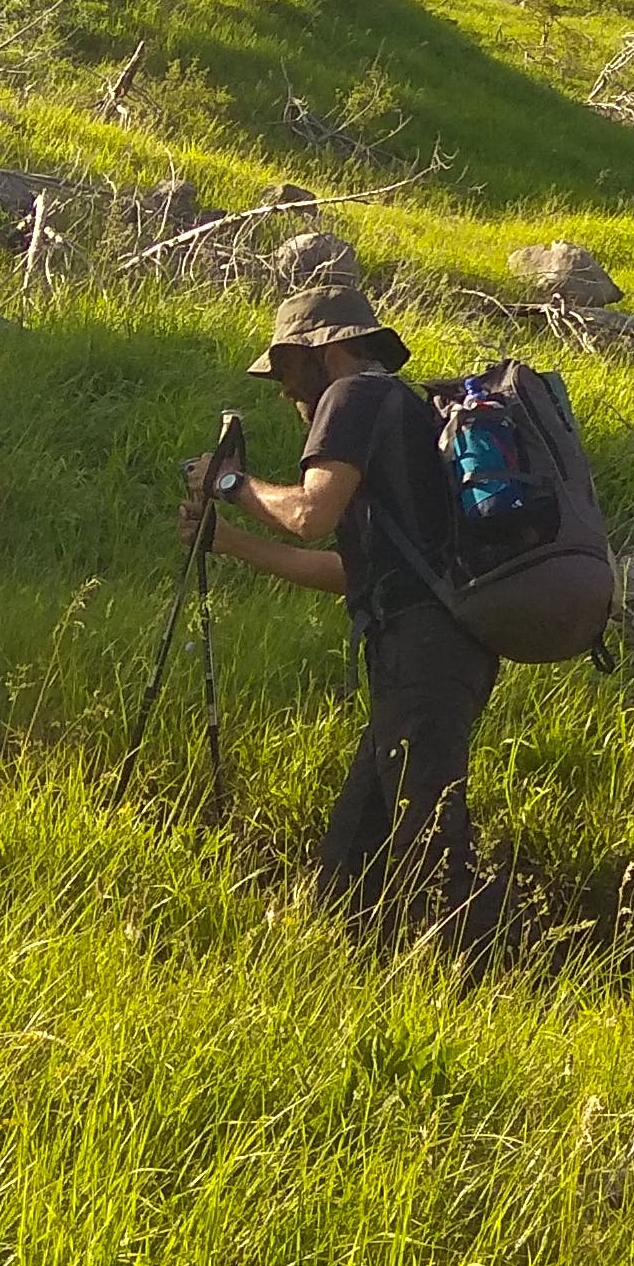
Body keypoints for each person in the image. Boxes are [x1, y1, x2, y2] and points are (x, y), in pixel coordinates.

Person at [183, 284, 501, 942]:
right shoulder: (396, 409)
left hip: (424, 654)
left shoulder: (351, 396)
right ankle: (353, 978)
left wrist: (228, 484)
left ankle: (485, 988)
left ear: (326, 352)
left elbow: (309, 514)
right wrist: (230, 542)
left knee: (432, 846)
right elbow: (350, 572)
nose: (283, 391)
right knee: (351, 858)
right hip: (431, 649)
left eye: (286, 369)